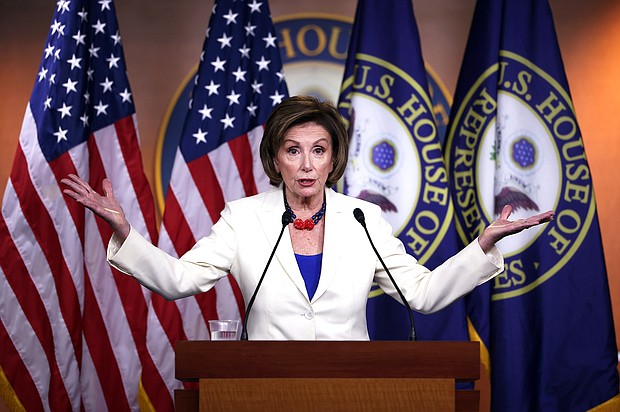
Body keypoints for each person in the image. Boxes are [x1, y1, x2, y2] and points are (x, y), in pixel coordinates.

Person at [61, 95, 554, 340]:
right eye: (293, 151)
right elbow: (178, 280)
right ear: (275, 159)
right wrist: (125, 232)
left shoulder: (363, 218)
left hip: (352, 395)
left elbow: (421, 294)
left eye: (319, 150)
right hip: (261, 396)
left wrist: (484, 244)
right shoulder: (243, 218)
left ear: (334, 159)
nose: (307, 164)